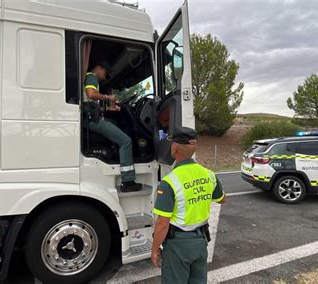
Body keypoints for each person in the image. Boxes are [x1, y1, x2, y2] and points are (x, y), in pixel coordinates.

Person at [151, 127, 226, 284]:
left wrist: (154, 249)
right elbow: (221, 199)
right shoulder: (209, 174)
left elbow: (162, 223)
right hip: (200, 242)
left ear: (175, 147)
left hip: (177, 245)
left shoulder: (169, 181)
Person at [84, 62, 142, 192]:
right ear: (99, 68)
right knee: (126, 141)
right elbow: (91, 94)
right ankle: (128, 182)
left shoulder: (89, 78)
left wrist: (108, 108)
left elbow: (91, 105)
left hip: (91, 118)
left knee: (115, 124)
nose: (104, 77)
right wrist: (108, 97)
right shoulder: (91, 76)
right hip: (92, 121)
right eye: (105, 73)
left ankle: (118, 156)